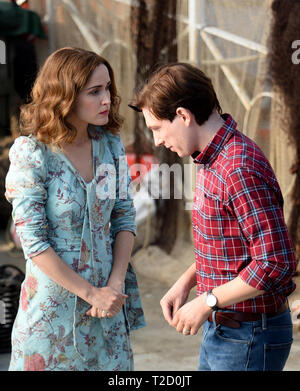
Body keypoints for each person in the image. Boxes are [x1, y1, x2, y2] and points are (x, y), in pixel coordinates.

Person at [130, 62, 297, 371]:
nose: (157, 141)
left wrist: (207, 301)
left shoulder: (237, 167)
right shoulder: (212, 159)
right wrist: (187, 281)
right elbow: (232, 245)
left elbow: (275, 262)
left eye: (157, 128)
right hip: (226, 329)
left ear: (183, 115)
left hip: (249, 335)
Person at [5, 47, 146, 371]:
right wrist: (91, 294)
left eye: (108, 88)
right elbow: (33, 242)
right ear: (64, 95)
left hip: (108, 311)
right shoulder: (32, 153)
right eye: (94, 91)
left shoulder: (110, 144)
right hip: (51, 319)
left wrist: (114, 284)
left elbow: (124, 216)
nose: (107, 99)